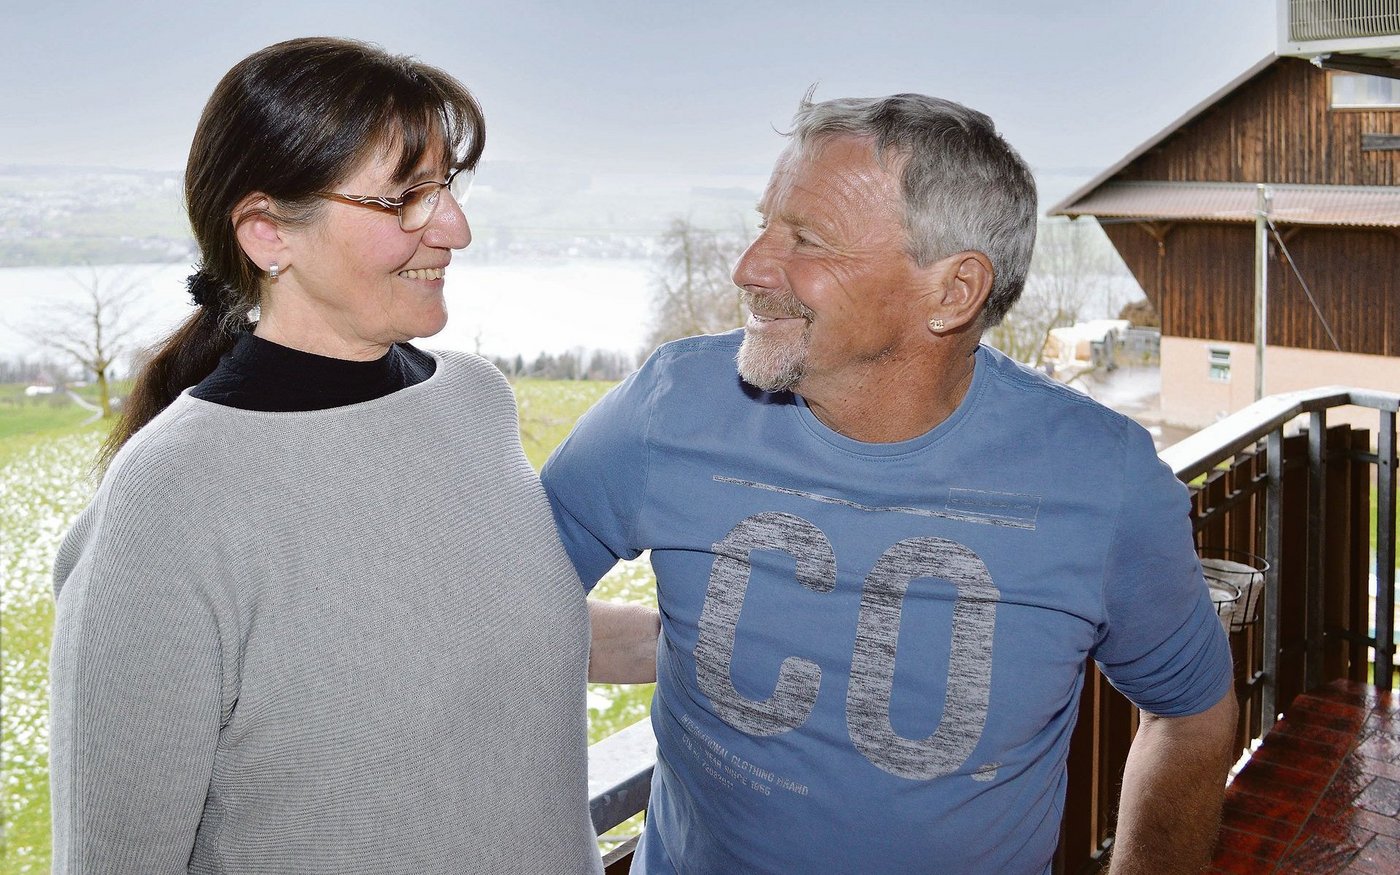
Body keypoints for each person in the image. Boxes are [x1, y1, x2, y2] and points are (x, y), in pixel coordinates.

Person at [541, 94, 1239, 874]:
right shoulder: (671, 405)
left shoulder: (1104, 484)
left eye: (807, 239)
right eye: (765, 223)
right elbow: (490, 606)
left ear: (953, 291)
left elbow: (1191, 713)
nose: (749, 267)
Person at [50, 37, 616, 874]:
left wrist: (711, 639)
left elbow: (458, 632)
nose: (454, 227)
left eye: (448, 188)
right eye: (405, 199)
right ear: (268, 232)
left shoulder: (472, 400)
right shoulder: (171, 497)